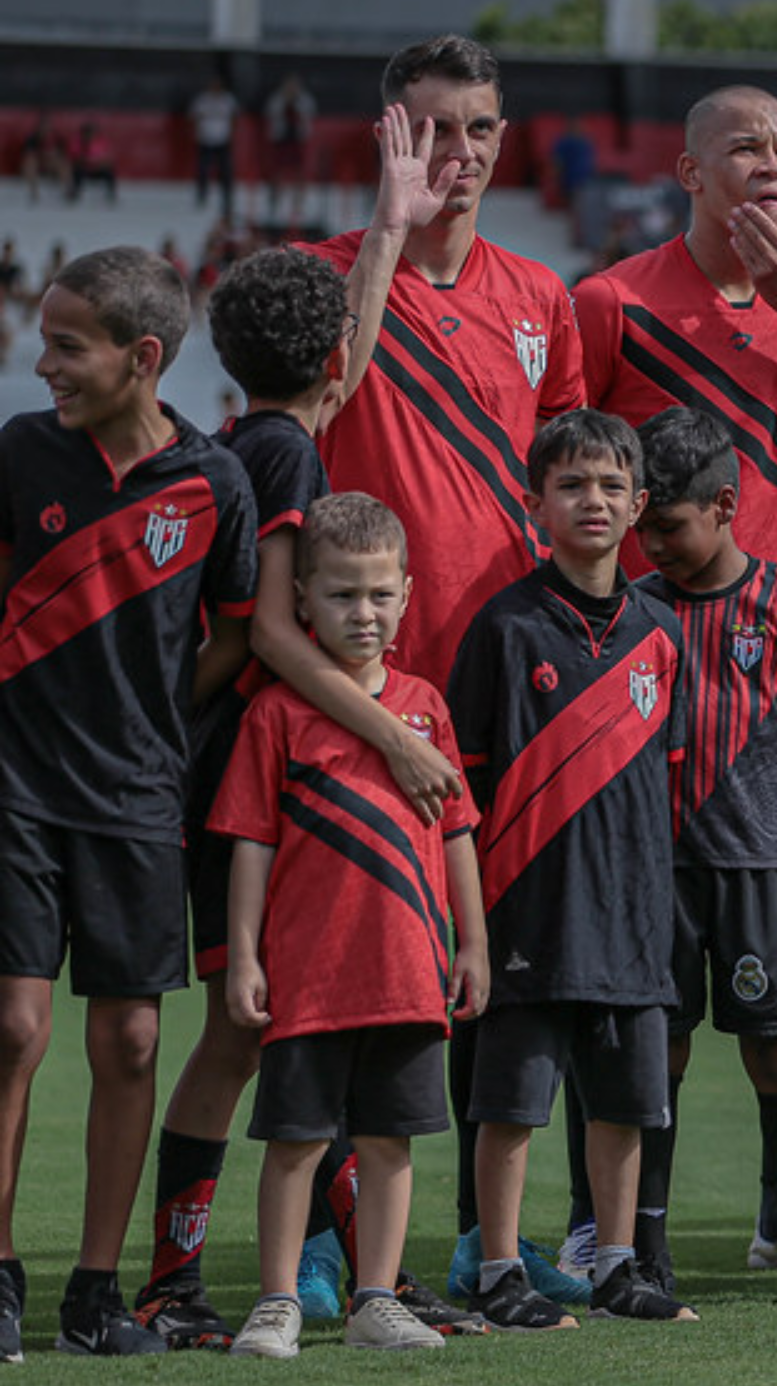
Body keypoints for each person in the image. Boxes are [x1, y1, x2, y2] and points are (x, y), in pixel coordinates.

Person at [136, 249, 482, 1351]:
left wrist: (387, 228)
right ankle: (174, 1282)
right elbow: (276, 633)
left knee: (311, 1036)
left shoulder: (247, 436)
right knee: (251, 1040)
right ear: (336, 358)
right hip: (265, 774)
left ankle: (369, 1276)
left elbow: (347, 359)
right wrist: (393, 736)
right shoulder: (286, 458)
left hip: (236, 768)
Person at [1, 247, 259, 1356]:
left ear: (142, 357)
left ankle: (95, 1294)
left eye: (68, 345)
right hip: (14, 787)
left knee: (134, 1039)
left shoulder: (216, 484)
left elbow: (240, 631)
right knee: (11, 1028)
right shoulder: (18, 454)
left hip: (140, 800)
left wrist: (156, 717)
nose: (43, 362)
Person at [211, 493, 488, 1358]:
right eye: (340, 596)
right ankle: (278, 1301)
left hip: (408, 973)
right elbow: (251, 843)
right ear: (303, 604)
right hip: (309, 979)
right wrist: (246, 956)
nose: (361, 613)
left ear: (406, 594)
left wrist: (471, 942)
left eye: (377, 595)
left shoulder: (425, 709)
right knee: (295, 1143)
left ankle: (376, 1299)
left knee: (389, 1143)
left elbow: (456, 834)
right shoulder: (276, 715)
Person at [444, 409, 694, 1327]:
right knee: (510, 1109)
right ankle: (500, 1268)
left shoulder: (660, 634)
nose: (593, 501)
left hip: (631, 917)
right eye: (572, 485)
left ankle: (619, 1265)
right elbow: (464, 791)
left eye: (610, 487)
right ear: (534, 502)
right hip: (529, 913)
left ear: (638, 506)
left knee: (624, 1107)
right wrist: (472, 924)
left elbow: (664, 785)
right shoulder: (504, 629)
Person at [627, 406, 777, 1307]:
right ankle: (644, 1254)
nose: (651, 543)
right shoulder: (633, 605)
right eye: (642, 524)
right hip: (656, 874)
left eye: (667, 525)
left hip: (759, 866)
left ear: (725, 505)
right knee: (661, 1055)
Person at [308, 34, 585, 694]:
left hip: (509, 644)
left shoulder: (540, 291)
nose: (464, 151)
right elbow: (325, 392)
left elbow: (562, 468)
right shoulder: (319, 273)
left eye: (481, 128)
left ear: (503, 136)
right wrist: (389, 228)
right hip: (364, 651)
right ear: (391, 137)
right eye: (438, 130)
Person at [576, 85, 777, 566]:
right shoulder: (611, 300)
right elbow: (561, 466)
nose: (773, 165)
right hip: (653, 614)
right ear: (691, 173)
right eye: (746, 148)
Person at [263, 75, 318, 224]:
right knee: (277, 172)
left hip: (297, 141)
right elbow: (271, 113)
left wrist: (295, 102)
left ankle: (298, 204)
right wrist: (286, 100)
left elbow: (309, 113)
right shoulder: (277, 99)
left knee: (299, 173)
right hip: (281, 141)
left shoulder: (304, 100)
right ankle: (274, 202)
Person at [190, 78, 240, 219]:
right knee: (203, 169)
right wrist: (198, 133)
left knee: (226, 171)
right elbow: (195, 117)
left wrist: (231, 133)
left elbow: (234, 117)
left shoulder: (228, 99)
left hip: (223, 141)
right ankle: (202, 196)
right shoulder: (203, 100)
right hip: (205, 140)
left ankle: (227, 200)